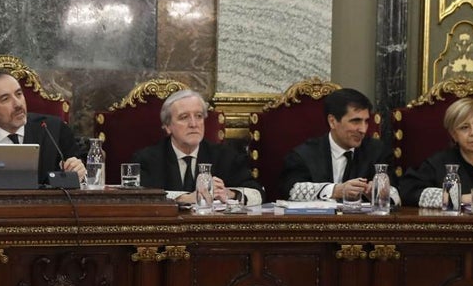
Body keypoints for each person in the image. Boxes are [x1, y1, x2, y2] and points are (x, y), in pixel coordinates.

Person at [131, 90, 262, 205]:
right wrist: (184, 198)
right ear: (167, 126)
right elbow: (138, 197)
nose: (193, 124)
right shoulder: (147, 159)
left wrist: (230, 194)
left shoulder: (226, 156)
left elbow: (258, 193)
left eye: (199, 116)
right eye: (184, 117)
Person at [278, 87, 398, 204]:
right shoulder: (304, 154)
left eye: (366, 121)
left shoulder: (377, 151)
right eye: (355, 121)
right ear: (332, 121)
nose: (363, 129)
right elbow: (291, 190)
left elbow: (397, 194)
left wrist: (380, 192)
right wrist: (335, 190)